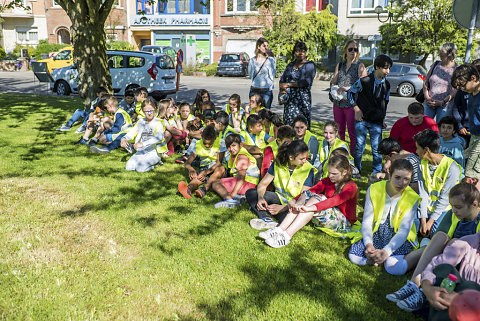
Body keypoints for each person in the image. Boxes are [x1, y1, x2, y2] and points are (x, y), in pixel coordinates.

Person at [387, 182, 480, 313]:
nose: (454, 210)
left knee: (454, 242)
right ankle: (414, 284)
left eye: (458, 207)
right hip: (447, 257)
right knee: (441, 236)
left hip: (467, 266)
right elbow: (438, 238)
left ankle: (424, 290)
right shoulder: (452, 214)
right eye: (452, 206)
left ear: (474, 204)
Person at [261, 155, 358, 248]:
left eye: (334, 174)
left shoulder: (351, 187)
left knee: (318, 198)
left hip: (344, 224)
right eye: (329, 172)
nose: (330, 176)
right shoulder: (328, 180)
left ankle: (286, 236)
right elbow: (311, 190)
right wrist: (296, 200)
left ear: (344, 172)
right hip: (329, 216)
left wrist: (310, 207)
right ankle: (279, 229)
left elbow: (334, 201)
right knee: (309, 196)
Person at [349, 159, 420, 275]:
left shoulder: (413, 197)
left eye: (406, 179)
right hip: (377, 233)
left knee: (394, 268)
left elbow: (403, 231)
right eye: (397, 177)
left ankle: (421, 251)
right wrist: (369, 244)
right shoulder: (374, 189)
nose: (401, 183)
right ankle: (376, 258)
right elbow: (367, 221)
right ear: (389, 175)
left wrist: (386, 252)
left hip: (398, 238)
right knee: (353, 256)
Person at [246, 140, 317, 230]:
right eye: (301, 159)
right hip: (278, 198)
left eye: (305, 157)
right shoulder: (277, 164)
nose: (305, 161)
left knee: (293, 216)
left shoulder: (308, 169)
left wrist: (283, 207)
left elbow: (304, 196)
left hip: (294, 205)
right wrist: (260, 198)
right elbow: (263, 184)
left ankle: (265, 213)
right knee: (251, 193)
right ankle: (266, 219)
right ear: (291, 157)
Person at [340, 54, 392, 176]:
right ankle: (356, 169)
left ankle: (376, 172)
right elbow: (351, 93)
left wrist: (382, 119)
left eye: (389, 68)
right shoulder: (364, 81)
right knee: (359, 147)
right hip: (362, 120)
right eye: (385, 68)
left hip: (377, 122)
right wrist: (356, 109)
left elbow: (385, 102)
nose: (388, 71)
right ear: (377, 67)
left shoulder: (387, 85)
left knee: (376, 148)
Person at [415, 129, 462, 239]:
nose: (416, 151)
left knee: (436, 235)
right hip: (425, 209)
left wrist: (430, 222)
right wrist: (423, 219)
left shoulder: (452, 168)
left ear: (426, 149)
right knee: (411, 226)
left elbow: (445, 199)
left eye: (417, 148)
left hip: (444, 210)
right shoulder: (422, 164)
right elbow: (423, 193)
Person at [330, 40, 367, 155]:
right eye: (350, 49)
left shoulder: (360, 66)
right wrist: (333, 88)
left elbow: (363, 84)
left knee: (352, 133)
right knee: (340, 132)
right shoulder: (340, 65)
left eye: (355, 49)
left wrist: (347, 88)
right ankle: (341, 156)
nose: (353, 52)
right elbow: (334, 81)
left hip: (352, 104)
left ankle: (352, 158)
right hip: (338, 103)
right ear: (345, 50)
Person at [178, 125, 226, 199]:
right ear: (202, 137)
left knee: (221, 168)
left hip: (216, 168)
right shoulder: (198, 144)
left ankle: (204, 189)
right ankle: (188, 189)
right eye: (204, 143)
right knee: (197, 178)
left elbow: (219, 163)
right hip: (205, 168)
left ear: (214, 138)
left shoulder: (221, 142)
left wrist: (206, 172)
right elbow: (187, 163)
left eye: (210, 144)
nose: (207, 145)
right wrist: (191, 169)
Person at [212, 134, 260, 208]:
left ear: (240, 145)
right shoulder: (237, 154)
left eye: (233, 145)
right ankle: (240, 197)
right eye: (228, 147)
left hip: (248, 184)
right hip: (249, 184)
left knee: (216, 183)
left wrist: (232, 194)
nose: (231, 149)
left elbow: (241, 178)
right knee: (222, 186)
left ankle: (229, 200)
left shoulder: (241, 156)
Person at [451, 64, 480, 184]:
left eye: (463, 85)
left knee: (471, 175)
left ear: (473, 78)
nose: (462, 89)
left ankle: (472, 201)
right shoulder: (472, 93)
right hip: (474, 136)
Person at [119, 99, 166, 172]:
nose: (149, 113)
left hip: (153, 152)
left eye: (151, 110)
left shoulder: (158, 122)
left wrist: (143, 144)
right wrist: (124, 139)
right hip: (141, 151)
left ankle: (156, 163)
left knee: (140, 169)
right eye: (146, 111)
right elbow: (132, 132)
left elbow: (159, 138)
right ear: (143, 111)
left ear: (155, 109)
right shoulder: (141, 121)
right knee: (129, 167)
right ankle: (147, 162)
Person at [279, 41, 316, 128]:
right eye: (298, 51)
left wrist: (288, 85)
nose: (300, 53)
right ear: (294, 53)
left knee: (301, 125)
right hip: (290, 101)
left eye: (303, 51)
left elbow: (306, 82)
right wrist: (281, 91)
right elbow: (282, 79)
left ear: (306, 52)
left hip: (302, 100)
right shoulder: (290, 65)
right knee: (288, 125)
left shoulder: (309, 65)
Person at [423, 43, 458, 121]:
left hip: (445, 105)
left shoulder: (456, 69)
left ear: (450, 54)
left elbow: (455, 89)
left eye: (442, 52)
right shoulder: (436, 64)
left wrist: (442, 102)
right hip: (429, 103)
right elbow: (425, 82)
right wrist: (427, 98)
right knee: (424, 127)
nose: (440, 54)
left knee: (442, 130)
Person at [248, 37, 276, 109]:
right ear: (258, 47)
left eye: (267, 46)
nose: (266, 48)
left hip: (266, 90)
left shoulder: (270, 60)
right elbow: (251, 74)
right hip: (255, 90)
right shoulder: (252, 60)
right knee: (254, 113)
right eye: (264, 46)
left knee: (265, 114)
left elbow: (273, 74)